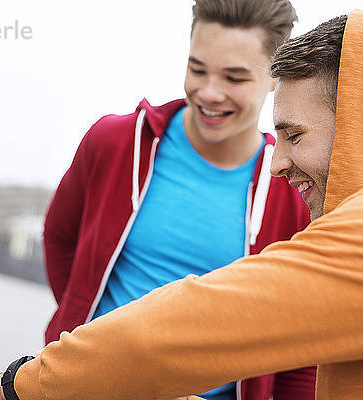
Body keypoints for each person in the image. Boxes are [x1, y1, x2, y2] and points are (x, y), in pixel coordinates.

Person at [0, 9, 363, 400]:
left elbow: (192, 329)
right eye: (198, 67)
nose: (280, 163)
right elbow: (63, 239)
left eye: (294, 135)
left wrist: (20, 384)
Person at [31, 0, 314, 399]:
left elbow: (303, 342)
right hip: (79, 387)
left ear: (274, 75)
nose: (209, 93)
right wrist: (85, 329)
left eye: (234, 77)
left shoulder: (294, 191)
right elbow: (60, 236)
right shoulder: (115, 142)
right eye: (197, 69)